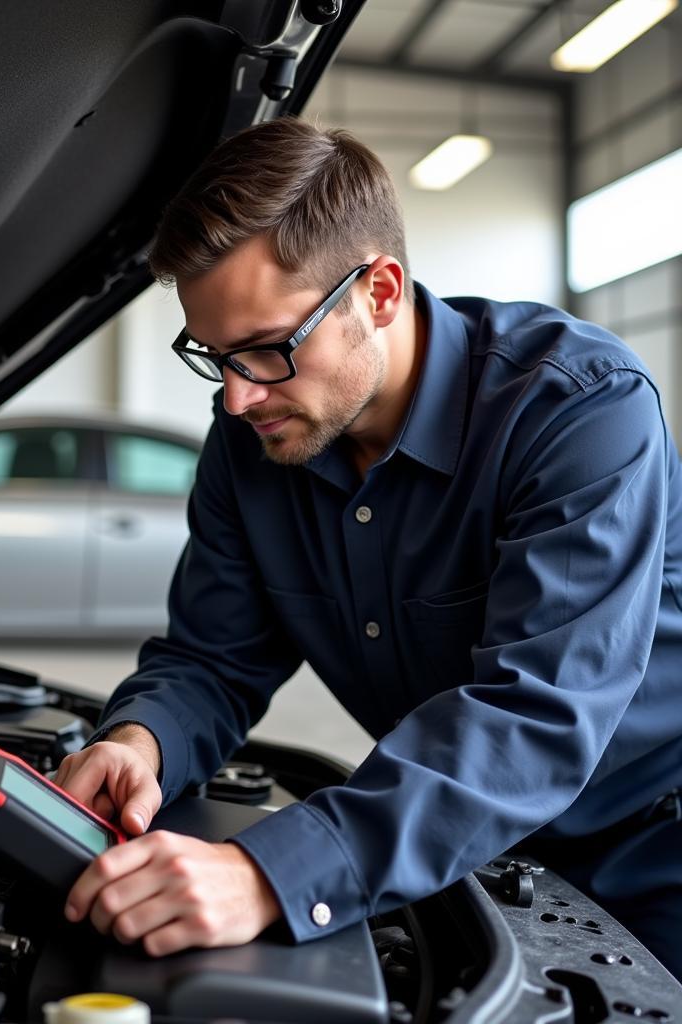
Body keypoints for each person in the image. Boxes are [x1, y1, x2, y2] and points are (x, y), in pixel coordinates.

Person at [53, 117, 682, 977]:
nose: (236, 399)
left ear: (378, 292)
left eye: (266, 351)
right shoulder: (254, 440)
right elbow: (212, 657)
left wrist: (270, 876)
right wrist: (140, 742)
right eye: (214, 356)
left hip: (651, 847)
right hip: (458, 842)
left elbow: (534, 714)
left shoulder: (578, 411)